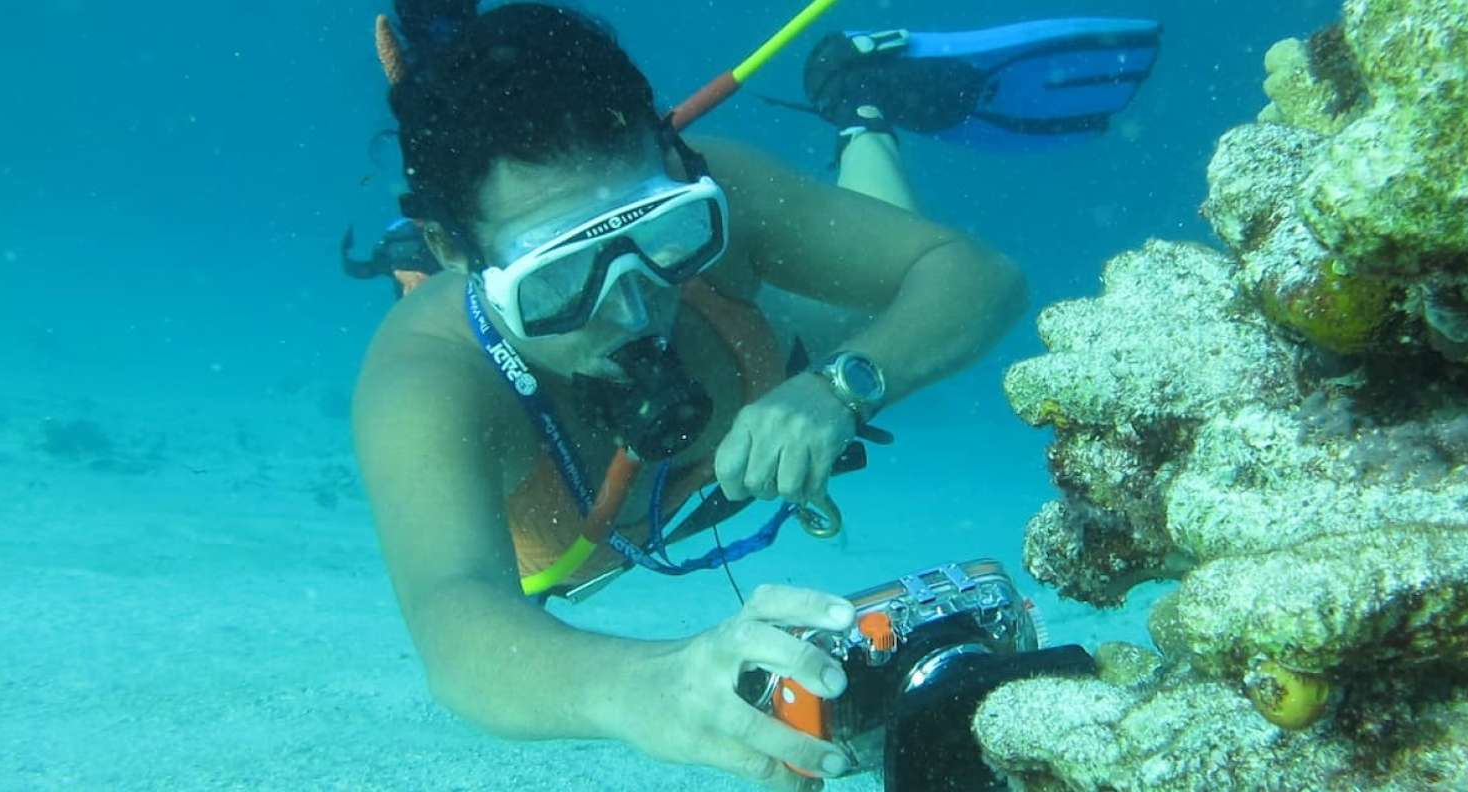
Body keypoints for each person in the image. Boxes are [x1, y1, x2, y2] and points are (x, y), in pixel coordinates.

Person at [350, 4, 1164, 790]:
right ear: (454, 251)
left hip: (781, 346)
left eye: (663, 233)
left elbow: (976, 276)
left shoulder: (726, 194)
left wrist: (842, 384)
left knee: (869, 301)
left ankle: (861, 98)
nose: (633, 309)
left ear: (678, 170)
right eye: (558, 281)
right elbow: (458, 620)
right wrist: (649, 684)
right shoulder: (432, 377)